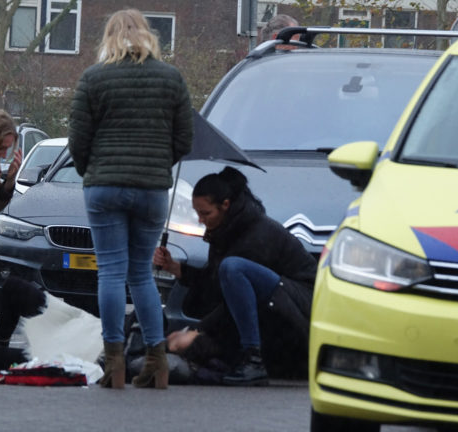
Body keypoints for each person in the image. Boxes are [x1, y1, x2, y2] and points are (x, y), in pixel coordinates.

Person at [68, 8, 193, 390]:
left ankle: (115, 362)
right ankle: (157, 360)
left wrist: (94, 170)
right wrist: (154, 167)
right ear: (147, 35)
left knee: (109, 272)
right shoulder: (171, 78)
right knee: (141, 274)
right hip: (153, 189)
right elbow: (183, 141)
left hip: (104, 186)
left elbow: (78, 140)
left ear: (108, 38)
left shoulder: (93, 78)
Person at [153, 167, 316, 386]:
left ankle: (254, 358)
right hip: (280, 300)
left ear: (226, 205)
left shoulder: (257, 234)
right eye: (197, 213)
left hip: (304, 308)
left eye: (206, 214)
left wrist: (196, 332)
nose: (201, 220)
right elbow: (216, 286)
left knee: (233, 267)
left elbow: (235, 303)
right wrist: (176, 268)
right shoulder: (225, 229)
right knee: (230, 270)